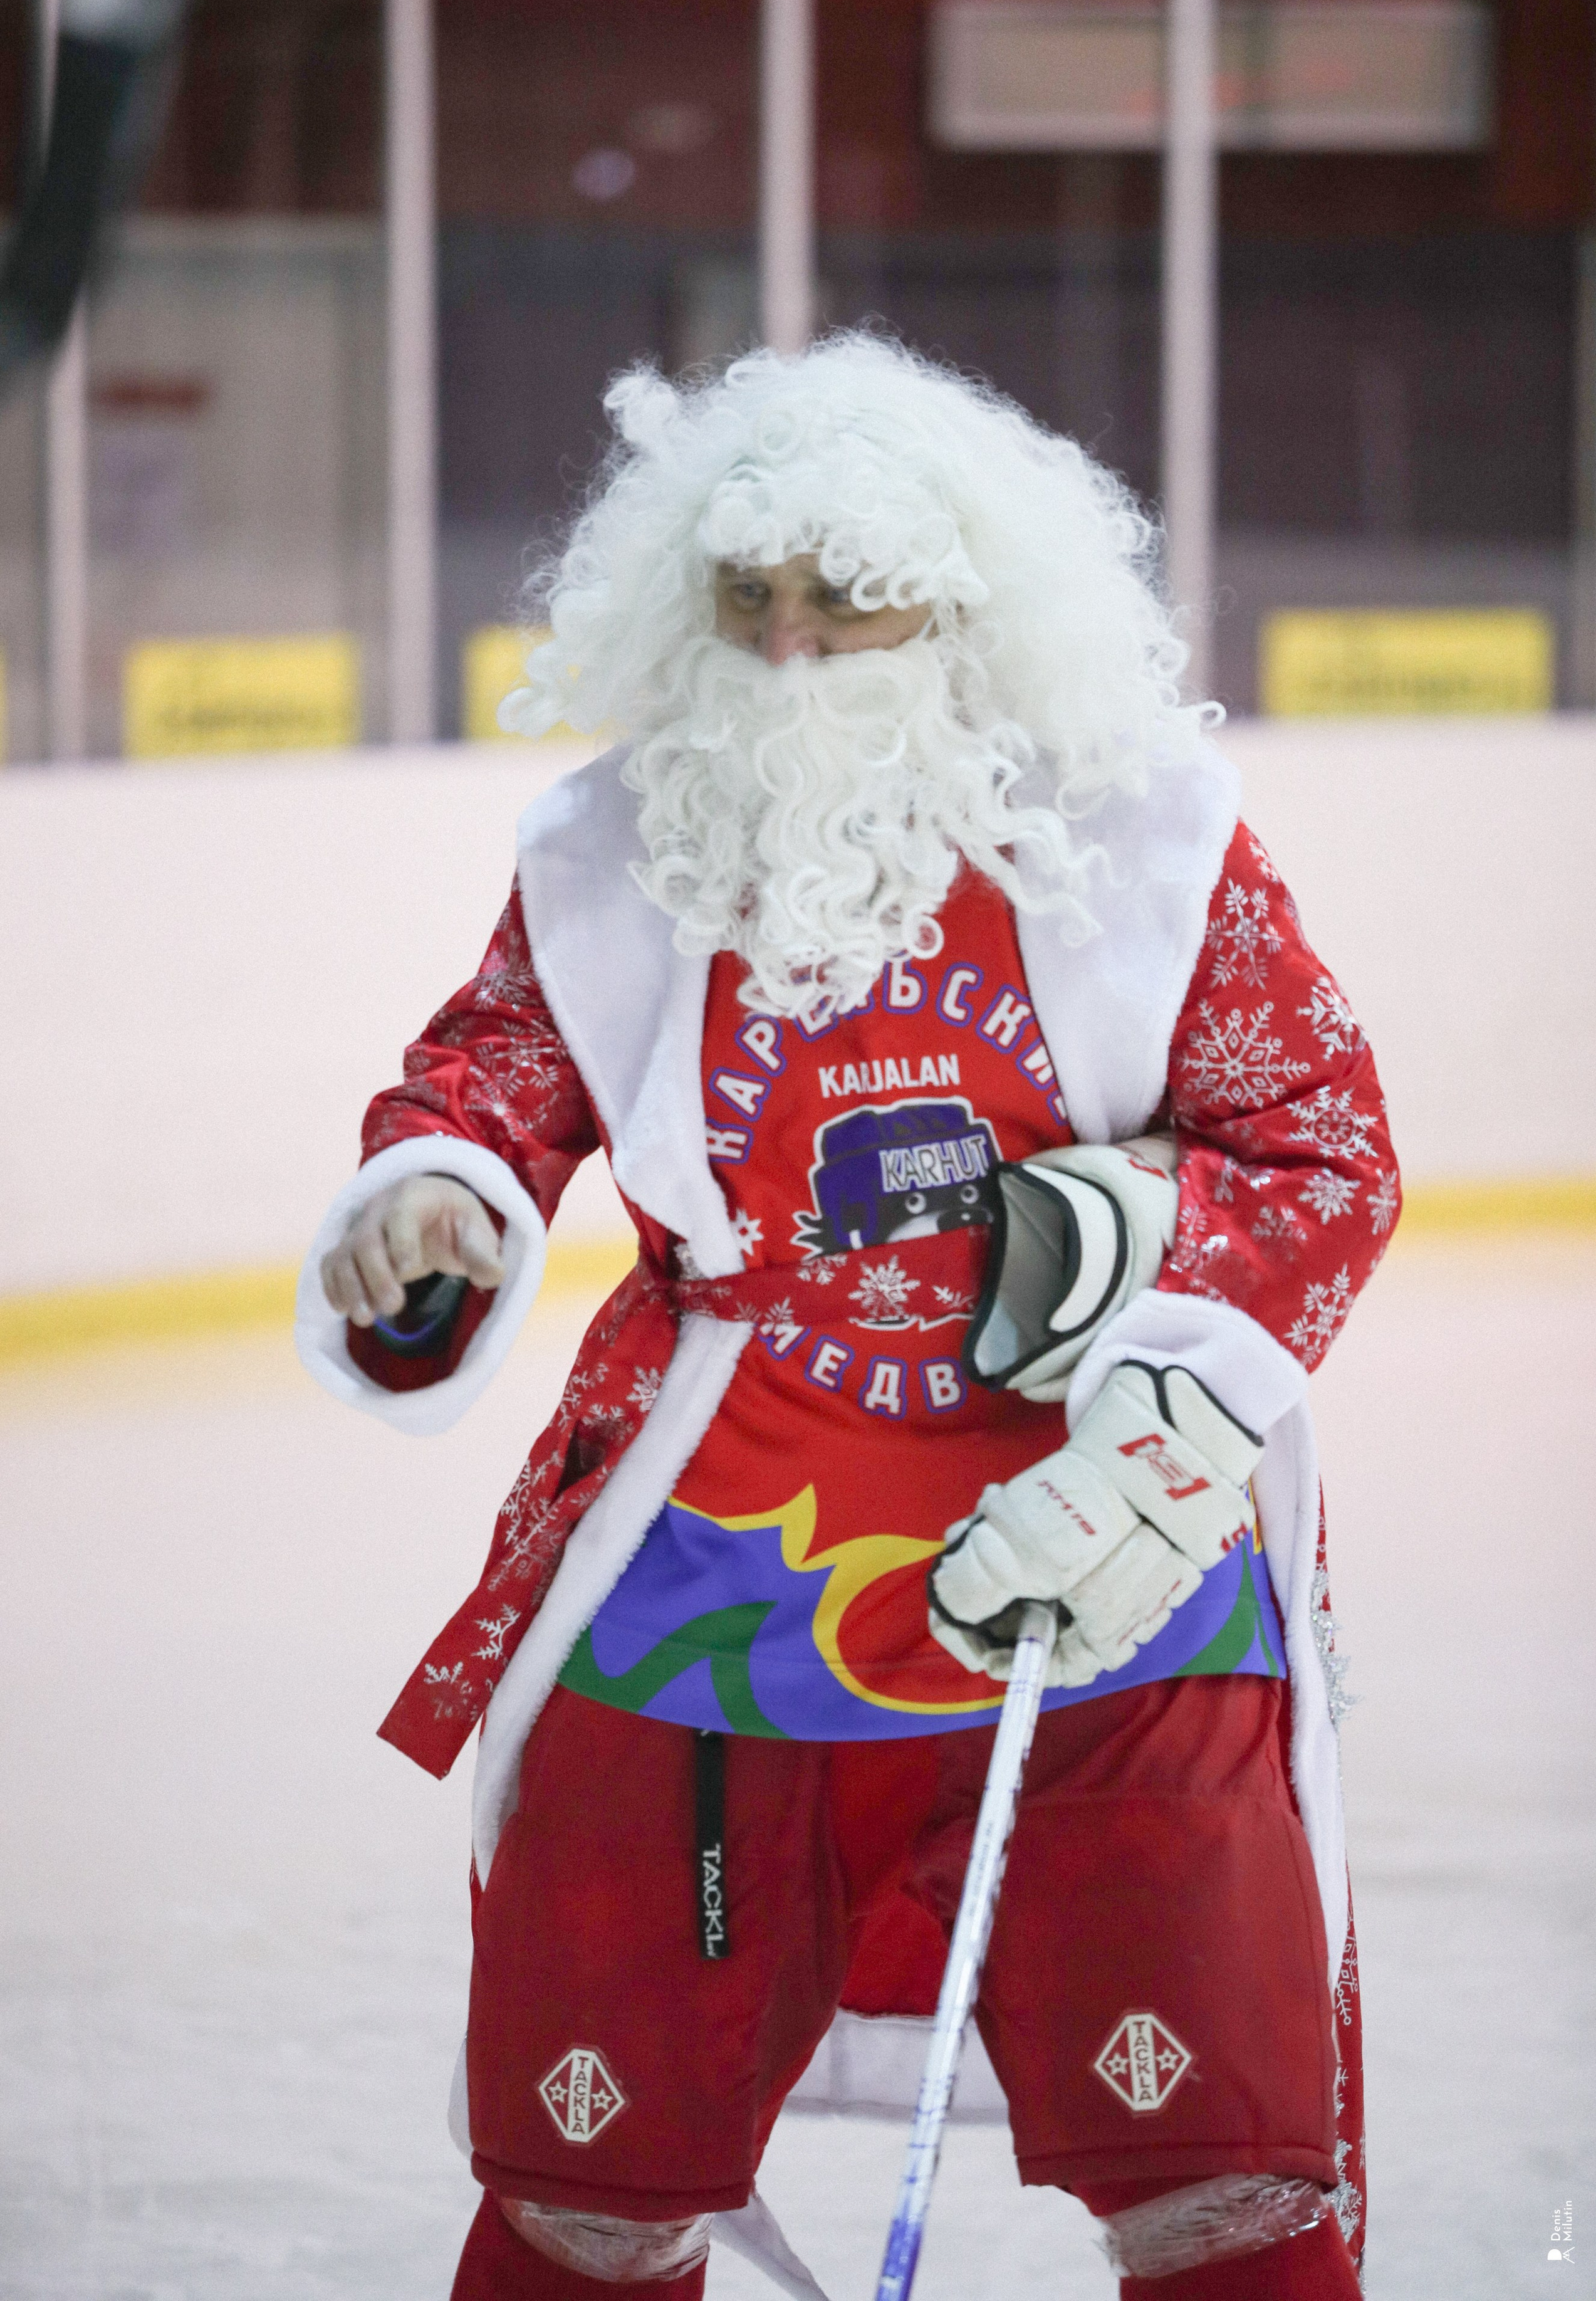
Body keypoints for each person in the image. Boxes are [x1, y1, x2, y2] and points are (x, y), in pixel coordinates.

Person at [298, 334, 1394, 2300]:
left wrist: (1156, 1422)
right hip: (714, 1582)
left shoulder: (1147, 837)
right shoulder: (615, 848)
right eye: (752, 601)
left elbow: (1323, 1149)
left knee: (1227, 2167)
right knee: (584, 2188)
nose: (793, 653)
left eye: (848, 600)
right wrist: (435, 1204)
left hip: (1111, 1583)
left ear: (967, 609)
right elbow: (485, 1091)